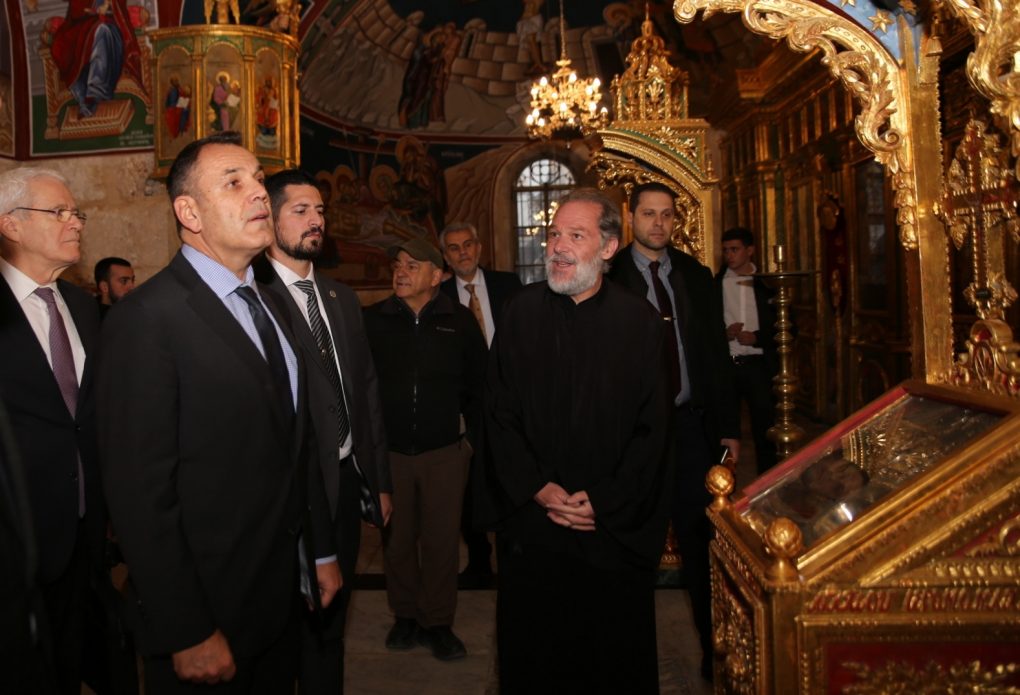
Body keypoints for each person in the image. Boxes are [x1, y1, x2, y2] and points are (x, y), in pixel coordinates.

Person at [97, 132, 340, 693]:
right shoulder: (146, 319)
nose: (258, 193)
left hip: (280, 596)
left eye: (258, 179)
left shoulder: (272, 302)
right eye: (233, 182)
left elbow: (297, 442)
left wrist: (320, 550)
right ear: (189, 213)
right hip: (207, 607)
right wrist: (185, 628)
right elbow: (139, 495)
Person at [482, 187, 670, 693]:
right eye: (554, 235)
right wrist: (537, 487)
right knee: (535, 658)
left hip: (608, 529)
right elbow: (497, 414)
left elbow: (652, 430)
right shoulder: (519, 312)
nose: (558, 247)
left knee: (609, 661)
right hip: (534, 524)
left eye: (575, 236)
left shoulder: (640, 322)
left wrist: (603, 501)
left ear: (608, 248)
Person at [256, 169, 393, 695]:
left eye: (320, 211)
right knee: (286, 624)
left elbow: (366, 393)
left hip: (344, 481)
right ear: (269, 220)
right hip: (292, 490)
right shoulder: (257, 298)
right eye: (301, 211)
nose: (316, 221)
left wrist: (378, 480)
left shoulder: (340, 298)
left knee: (331, 624)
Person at [606, 181, 739, 682]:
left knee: (702, 545)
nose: (658, 223)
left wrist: (728, 428)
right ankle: (628, 661)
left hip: (690, 431)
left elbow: (715, 356)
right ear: (630, 218)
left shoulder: (695, 275)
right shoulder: (609, 277)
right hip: (633, 437)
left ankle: (714, 652)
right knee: (630, 548)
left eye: (666, 215)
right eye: (648, 214)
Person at [0, 167, 126, 693]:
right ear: (11, 224)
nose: (75, 222)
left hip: (83, 532)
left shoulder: (80, 306)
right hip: (15, 542)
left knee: (71, 663)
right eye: (59, 212)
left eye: (77, 212)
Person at [364, 238, 486, 662]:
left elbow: (481, 385)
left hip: (445, 453)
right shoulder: (373, 320)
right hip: (391, 454)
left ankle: (438, 622)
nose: (401, 272)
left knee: (441, 542)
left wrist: (470, 444)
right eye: (398, 265)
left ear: (437, 276)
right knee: (396, 541)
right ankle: (405, 616)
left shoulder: (459, 321)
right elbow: (360, 387)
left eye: (412, 265)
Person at [438, 221, 521, 584]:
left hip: (511, 401)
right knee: (469, 486)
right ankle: (478, 559)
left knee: (511, 478)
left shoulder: (509, 285)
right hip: (465, 406)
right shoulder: (439, 295)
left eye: (468, 244)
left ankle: (513, 555)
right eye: (454, 248)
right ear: (445, 256)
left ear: (479, 247)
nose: (463, 253)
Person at [716, 227, 778, 474]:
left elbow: (785, 326)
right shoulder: (715, 284)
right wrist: (724, 334)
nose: (729, 255)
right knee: (725, 429)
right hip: (727, 365)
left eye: (735, 249)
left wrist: (757, 338)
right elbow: (704, 325)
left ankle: (767, 481)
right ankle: (722, 481)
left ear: (749, 250)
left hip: (758, 366)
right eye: (725, 250)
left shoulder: (767, 284)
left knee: (765, 428)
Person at [49, 0, 144, 118]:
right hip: (81, 25)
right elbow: (76, 11)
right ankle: (82, 95)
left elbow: (119, 8)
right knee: (63, 45)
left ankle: (94, 92)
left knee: (102, 31)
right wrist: (90, 11)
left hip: (109, 23)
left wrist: (108, 5)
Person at [93, 256, 135, 320]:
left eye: (133, 280)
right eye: (124, 281)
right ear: (104, 287)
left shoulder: (135, 310)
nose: (132, 287)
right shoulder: (90, 317)